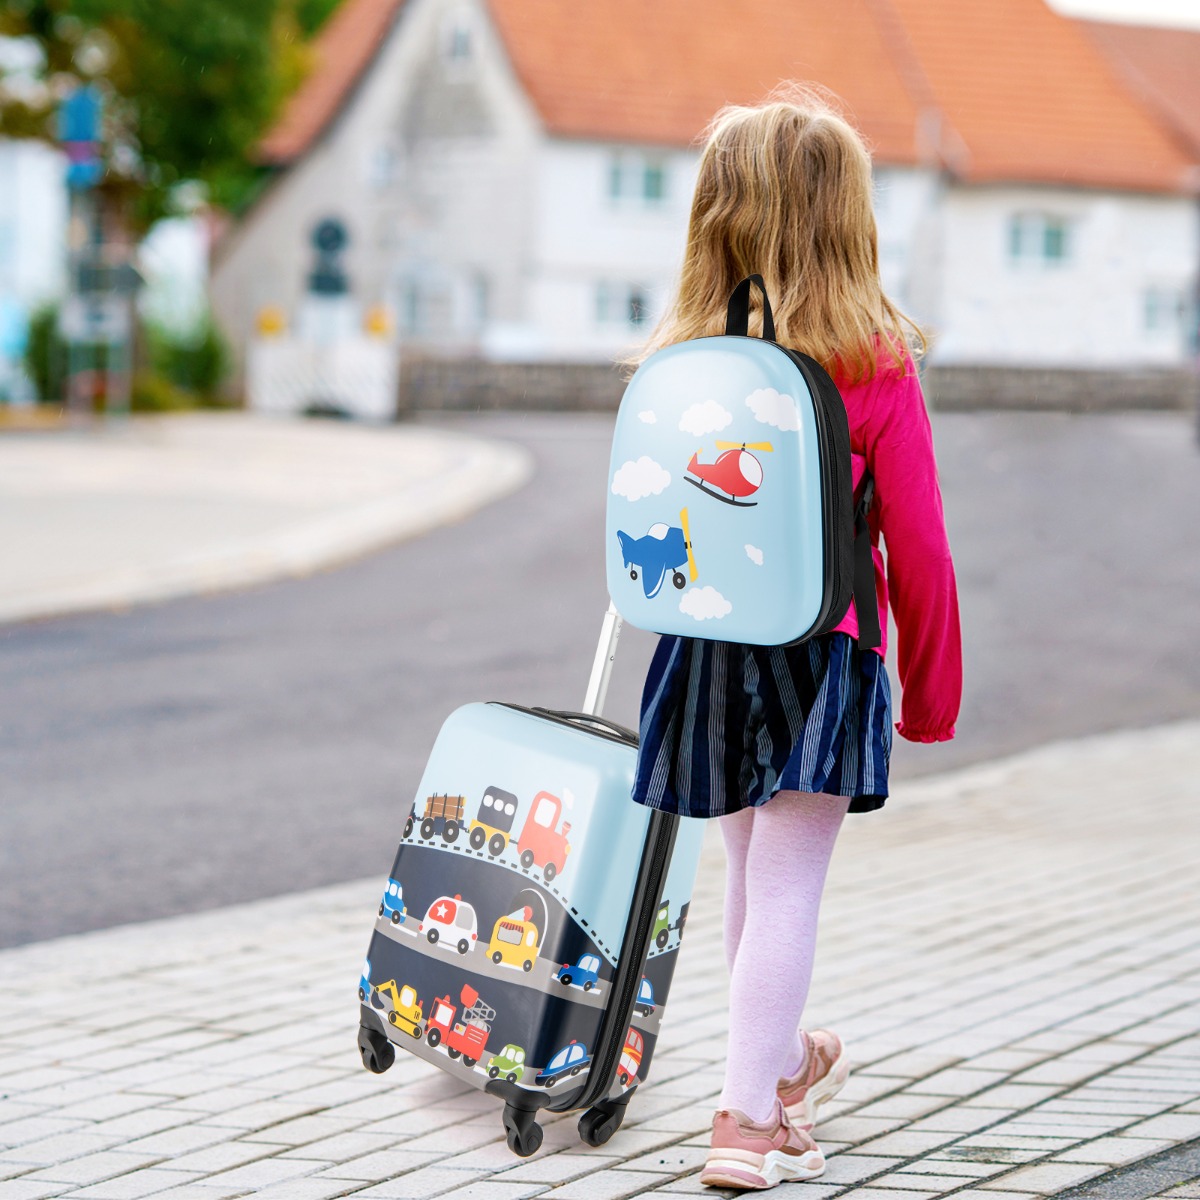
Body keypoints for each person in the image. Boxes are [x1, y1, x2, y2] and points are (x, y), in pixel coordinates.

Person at [627, 88, 963, 1191]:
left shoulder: (683, 358)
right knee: (787, 887)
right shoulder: (873, 363)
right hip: (828, 649)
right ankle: (742, 1121)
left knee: (745, 873)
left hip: (710, 646)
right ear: (848, 219)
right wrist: (931, 690)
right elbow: (917, 545)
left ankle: (774, 1082)